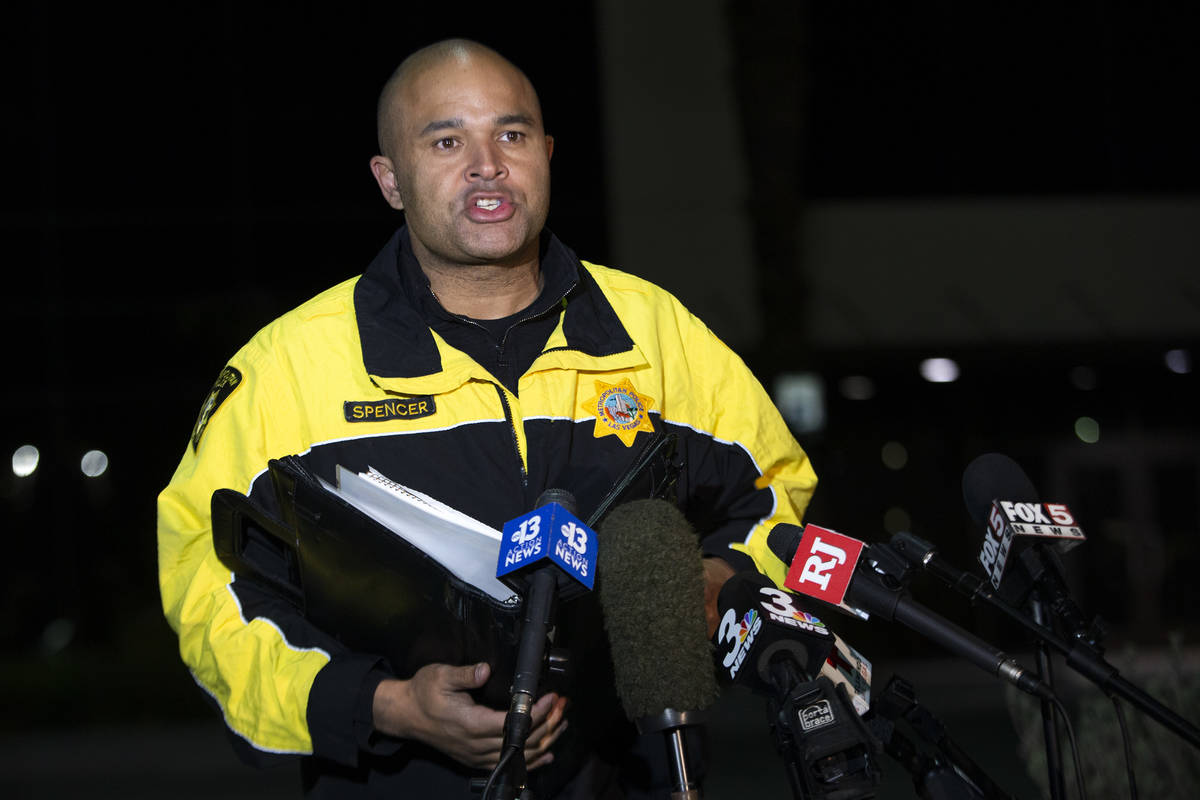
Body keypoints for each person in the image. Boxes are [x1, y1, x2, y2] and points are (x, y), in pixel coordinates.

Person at [157, 38, 817, 797]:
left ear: (546, 153)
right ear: (390, 181)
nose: (487, 164)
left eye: (512, 134)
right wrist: (383, 704)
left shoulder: (656, 334)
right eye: (446, 140)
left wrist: (715, 581)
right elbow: (208, 586)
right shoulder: (286, 371)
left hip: (632, 775)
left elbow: (777, 495)